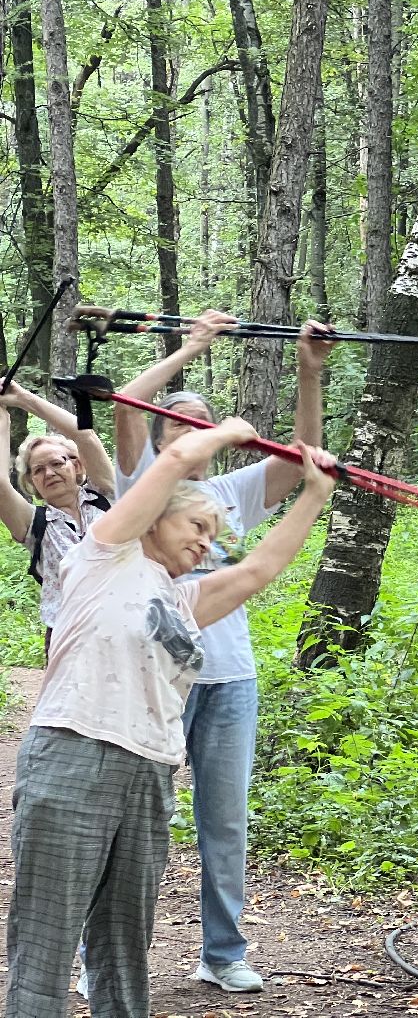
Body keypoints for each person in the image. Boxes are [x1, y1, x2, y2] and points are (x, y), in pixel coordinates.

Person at [4, 415, 336, 1018]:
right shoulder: (102, 554)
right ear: (155, 517)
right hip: (75, 753)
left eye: (213, 535)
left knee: (125, 943)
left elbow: (259, 569)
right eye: (197, 526)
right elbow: (173, 464)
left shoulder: (185, 598)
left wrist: (313, 495)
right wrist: (224, 434)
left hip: (151, 773)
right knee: (47, 940)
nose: (206, 543)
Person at [106, 309, 335, 994]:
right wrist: (193, 347)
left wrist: (309, 369)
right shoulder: (140, 482)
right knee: (130, 820)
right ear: (160, 432)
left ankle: (222, 951)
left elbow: (305, 457)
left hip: (230, 679)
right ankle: (107, 957)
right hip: (152, 678)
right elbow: (125, 400)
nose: (191, 427)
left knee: (223, 823)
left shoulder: (233, 493)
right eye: (177, 420)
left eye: (204, 419)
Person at [0, 383, 117, 655]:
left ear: (76, 466)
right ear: (31, 481)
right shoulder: (34, 524)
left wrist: (25, 398)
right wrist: (2, 415)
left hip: (128, 627)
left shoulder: (106, 496)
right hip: (70, 637)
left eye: (57, 463)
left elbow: (85, 437)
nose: (49, 473)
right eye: (38, 470)